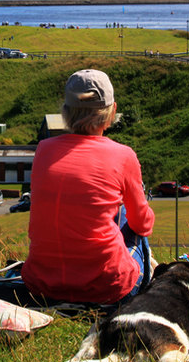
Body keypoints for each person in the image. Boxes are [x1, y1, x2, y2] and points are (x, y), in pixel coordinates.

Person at [21, 69, 155, 305]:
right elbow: (142, 224)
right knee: (127, 217)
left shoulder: (43, 150)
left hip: (41, 285)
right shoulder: (123, 155)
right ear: (112, 111)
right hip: (108, 289)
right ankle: (148, 277)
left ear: (66, 112)